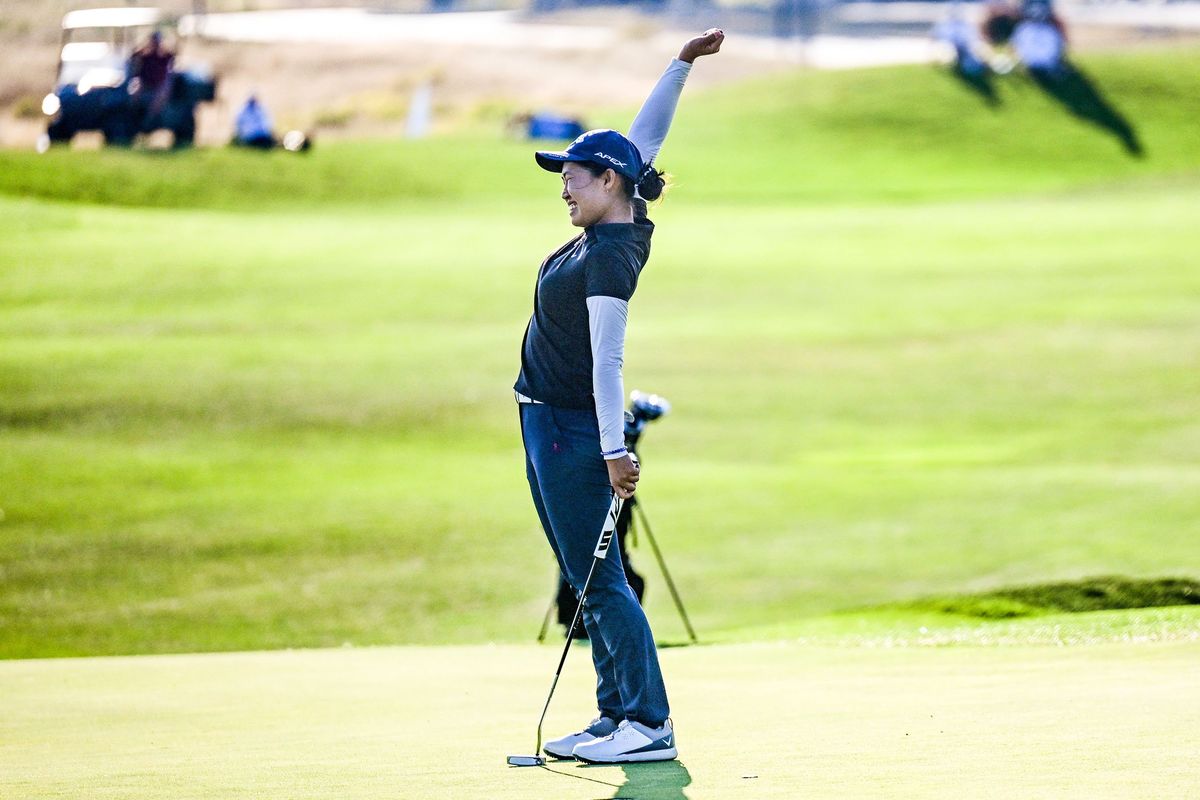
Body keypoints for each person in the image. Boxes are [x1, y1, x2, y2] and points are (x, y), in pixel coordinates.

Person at [513, 28, 723, 765]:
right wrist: (681, 64)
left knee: (600, 584)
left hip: (573, 429)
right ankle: (614, 719)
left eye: (573, 175)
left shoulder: (609, 256)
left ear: (608, 182)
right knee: (585, 576)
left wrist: (613, 449)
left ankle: (648, 722)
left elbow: (609, 361)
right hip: (546, 422)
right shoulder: (615, 202)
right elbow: (643, 137)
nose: (563, 187)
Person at [129, 31, 175, 123]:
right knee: (134, 97)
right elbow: (134, 56)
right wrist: (143, 46)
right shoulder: (146, 55)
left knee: (158, 100)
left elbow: (172, 56)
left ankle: (150, 119)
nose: (155, 44)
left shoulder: (163, 56)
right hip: (144, 83)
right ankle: (133, 117)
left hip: (159, 85)